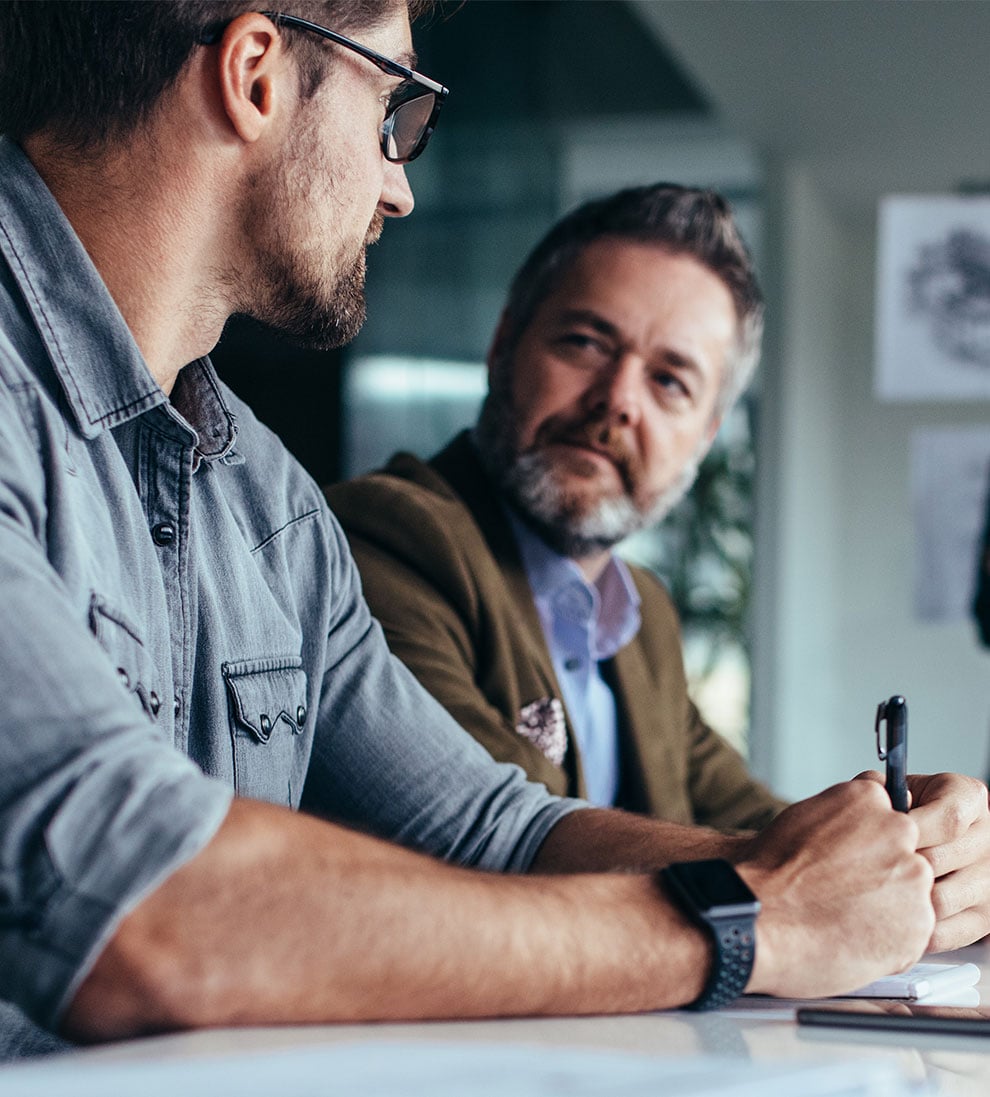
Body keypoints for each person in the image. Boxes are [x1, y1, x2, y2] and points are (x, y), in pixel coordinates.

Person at [0, 0, 984, 1052]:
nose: (400, 184)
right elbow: (137, 906)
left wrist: (861, 875)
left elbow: (490, 829)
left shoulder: (266, 503)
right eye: (395, 108)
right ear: (255, 76)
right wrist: (743, 918)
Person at [328, 184, 785, 826]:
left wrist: (916, 844)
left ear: (705, 436)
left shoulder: (641, 614)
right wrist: (806, 868)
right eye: (586, 343)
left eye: (669, 381)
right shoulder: (388, 539)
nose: (618, 400)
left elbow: (753, 819)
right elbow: (510, 836)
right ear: (503, 346)